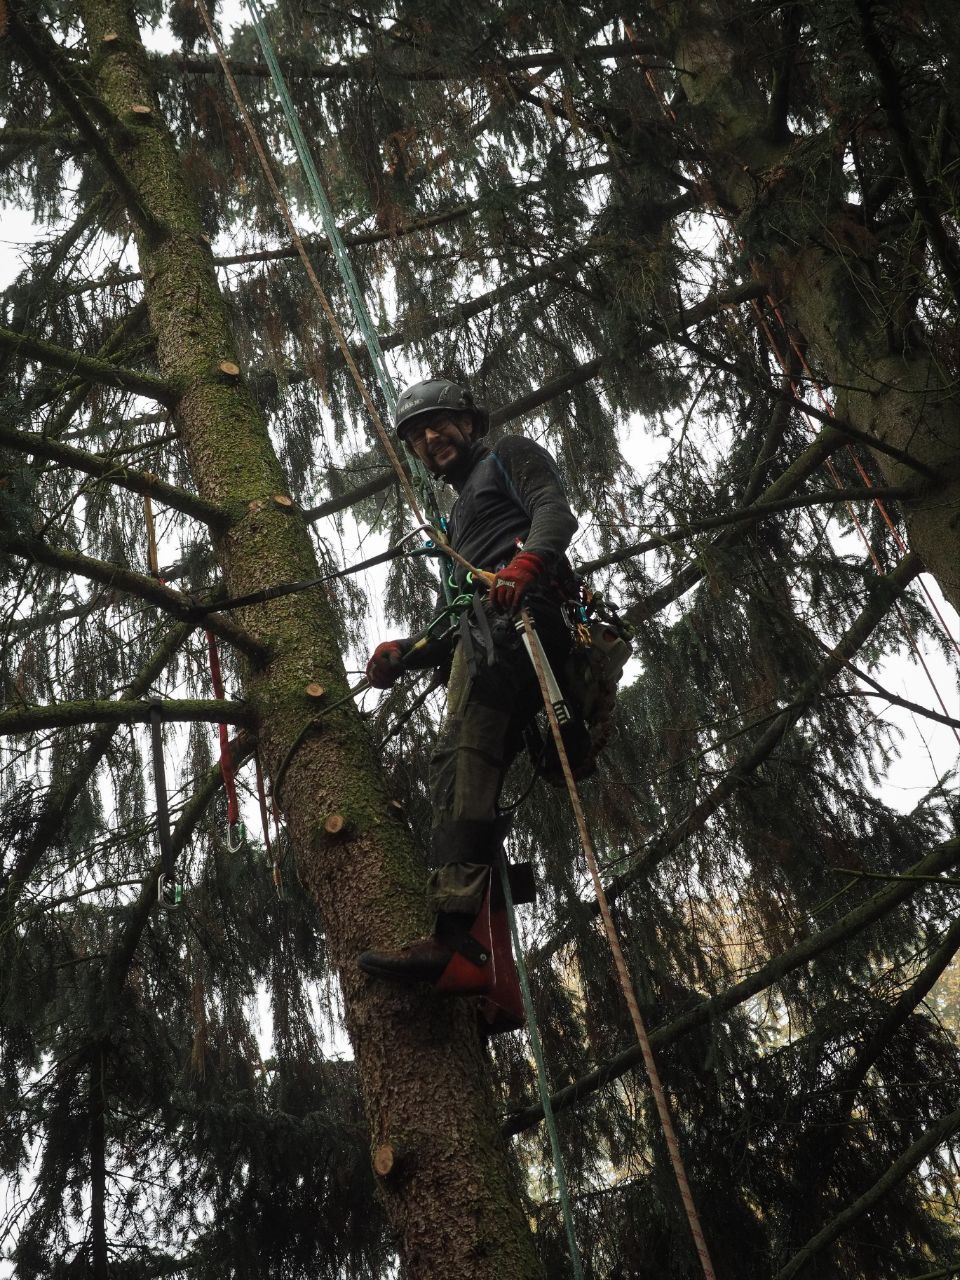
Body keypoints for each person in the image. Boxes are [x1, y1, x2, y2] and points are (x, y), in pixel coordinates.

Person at [358, 378, 579, 985]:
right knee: (458, 767)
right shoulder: (455, 521)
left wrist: (525, 564)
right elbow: (455, 619)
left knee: (462, 754)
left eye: (439, 424)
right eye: (417, 435)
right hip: (488, 631)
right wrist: (403, 653)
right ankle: (478, 927)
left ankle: (454, 937)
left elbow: (555, 512)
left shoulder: (508, 455)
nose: (431, 438)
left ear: (470, 423)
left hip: (526, 624)